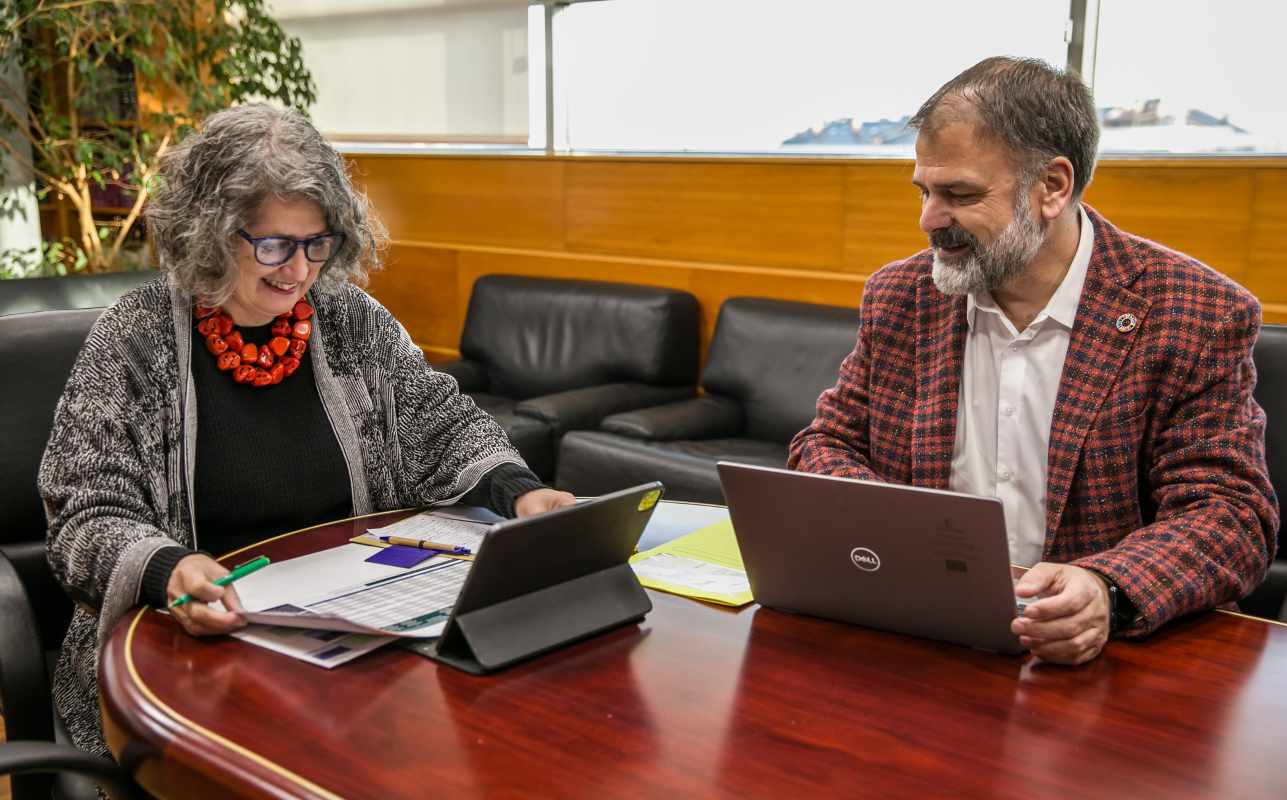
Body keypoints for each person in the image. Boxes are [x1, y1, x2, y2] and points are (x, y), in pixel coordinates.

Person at [38, 103, 575, 756]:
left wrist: (519, 491)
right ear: (207, 232)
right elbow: (85, 513)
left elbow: (439, 422)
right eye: (271, 245)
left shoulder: (349, 320)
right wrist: (169, 571)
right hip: (182, 660)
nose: (296, 271)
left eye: (315, 244)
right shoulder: (136, 338)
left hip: (345, 647)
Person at [788, 57, 1278, 665]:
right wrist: (899, 532)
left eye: (960, 195)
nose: (928, 220)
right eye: (924, 191)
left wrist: (1108, 587)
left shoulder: (1195, 312)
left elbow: (1230, 515)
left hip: (1094, 665)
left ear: (1052, 187)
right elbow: (825, 444)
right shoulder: (901, 297)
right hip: (921, 642)